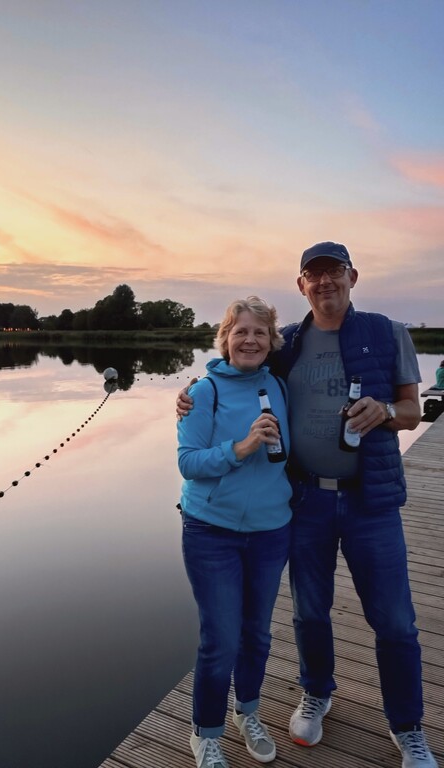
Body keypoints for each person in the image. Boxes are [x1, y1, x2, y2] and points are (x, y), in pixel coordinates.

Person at [177, 242, 439, 768]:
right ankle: (316, 695)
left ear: (352, 276)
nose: (325, 283)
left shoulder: (388, 333)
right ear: (301, 286)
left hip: (371, 502)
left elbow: (413, 410)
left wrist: (386, 409)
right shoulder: (289, 343)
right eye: (313, 275)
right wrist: (191, 390)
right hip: (306, 501)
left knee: (395, 621)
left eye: (334, 272)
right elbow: (235, 363)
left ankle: (408, 728)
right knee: (310, 614)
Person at [178, 296, 292, 767]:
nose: (249, 340)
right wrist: (241, 447)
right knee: (220, 639)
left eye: (259, 332)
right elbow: (188, 463)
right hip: (212, 532)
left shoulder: (281, 387)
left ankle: (248, 712)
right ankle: (206, 734)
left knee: (257, 636)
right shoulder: (204, 392)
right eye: (240, 331)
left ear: (271, 342)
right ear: (225, 338)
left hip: (271, 530)